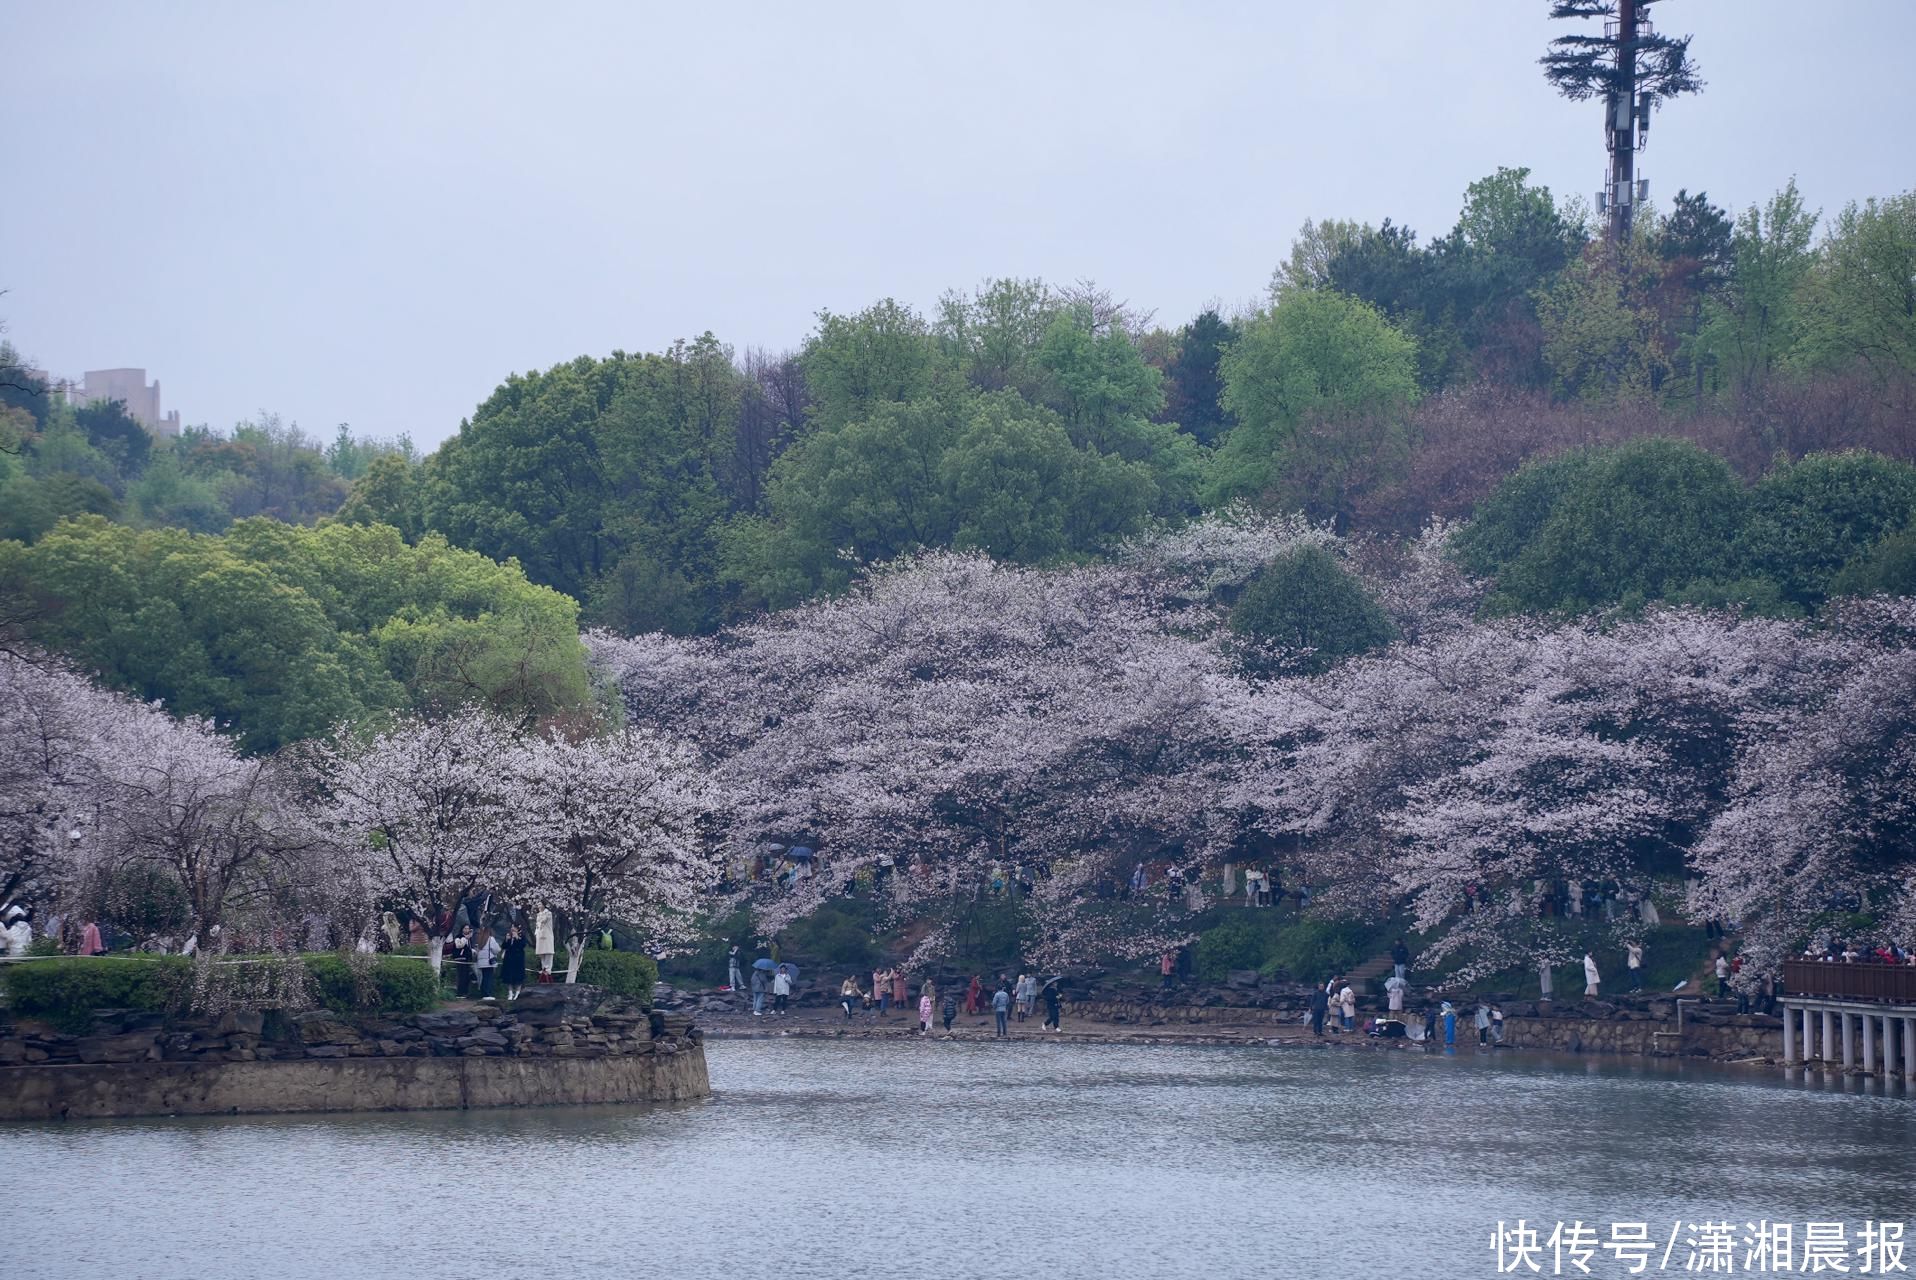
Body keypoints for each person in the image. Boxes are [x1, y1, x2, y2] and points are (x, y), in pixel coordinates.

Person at [471, 927, 501, 1001]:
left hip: (481, 962)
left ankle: (483, 993)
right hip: (489, 962)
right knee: (488, 978)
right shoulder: (491, 939)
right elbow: (497, 949)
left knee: (484, 978)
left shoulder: (480, 939)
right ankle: (487, 994)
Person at [501, 923, 529, 1001]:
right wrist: (506, 940)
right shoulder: (508, 935)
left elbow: (522, 945)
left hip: (518, 960)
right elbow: (504, 946)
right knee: (508, 976)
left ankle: (518, 993)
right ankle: (510, 992)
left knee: (518, 977)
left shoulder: (522, 936)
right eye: (512, 927)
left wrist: (517, 938)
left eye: (514, 927)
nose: (512, 928)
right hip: (509, 959)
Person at [450, 927, 475, 998]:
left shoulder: (469, 939)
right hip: (460, 959)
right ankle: (460, 993)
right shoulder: (459, 937)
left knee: (467, 976)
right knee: (461, 976)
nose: (467, 930)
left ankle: (465, 992)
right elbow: (459, 946)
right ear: (462, 929)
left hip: (467, 959)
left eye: (468, 929)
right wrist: (465, 938)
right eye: (465, 928)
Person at [535, 908, 556, 983]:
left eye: (540, 904)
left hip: (547, 935)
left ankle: (548, 968)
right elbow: (537, 925)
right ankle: (543, 967)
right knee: (541, 953)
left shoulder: (548, 913)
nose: (539, 906)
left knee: (548, 952)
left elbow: (543, 920)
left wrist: (540, 916)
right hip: (540, 935)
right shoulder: (539, 914)